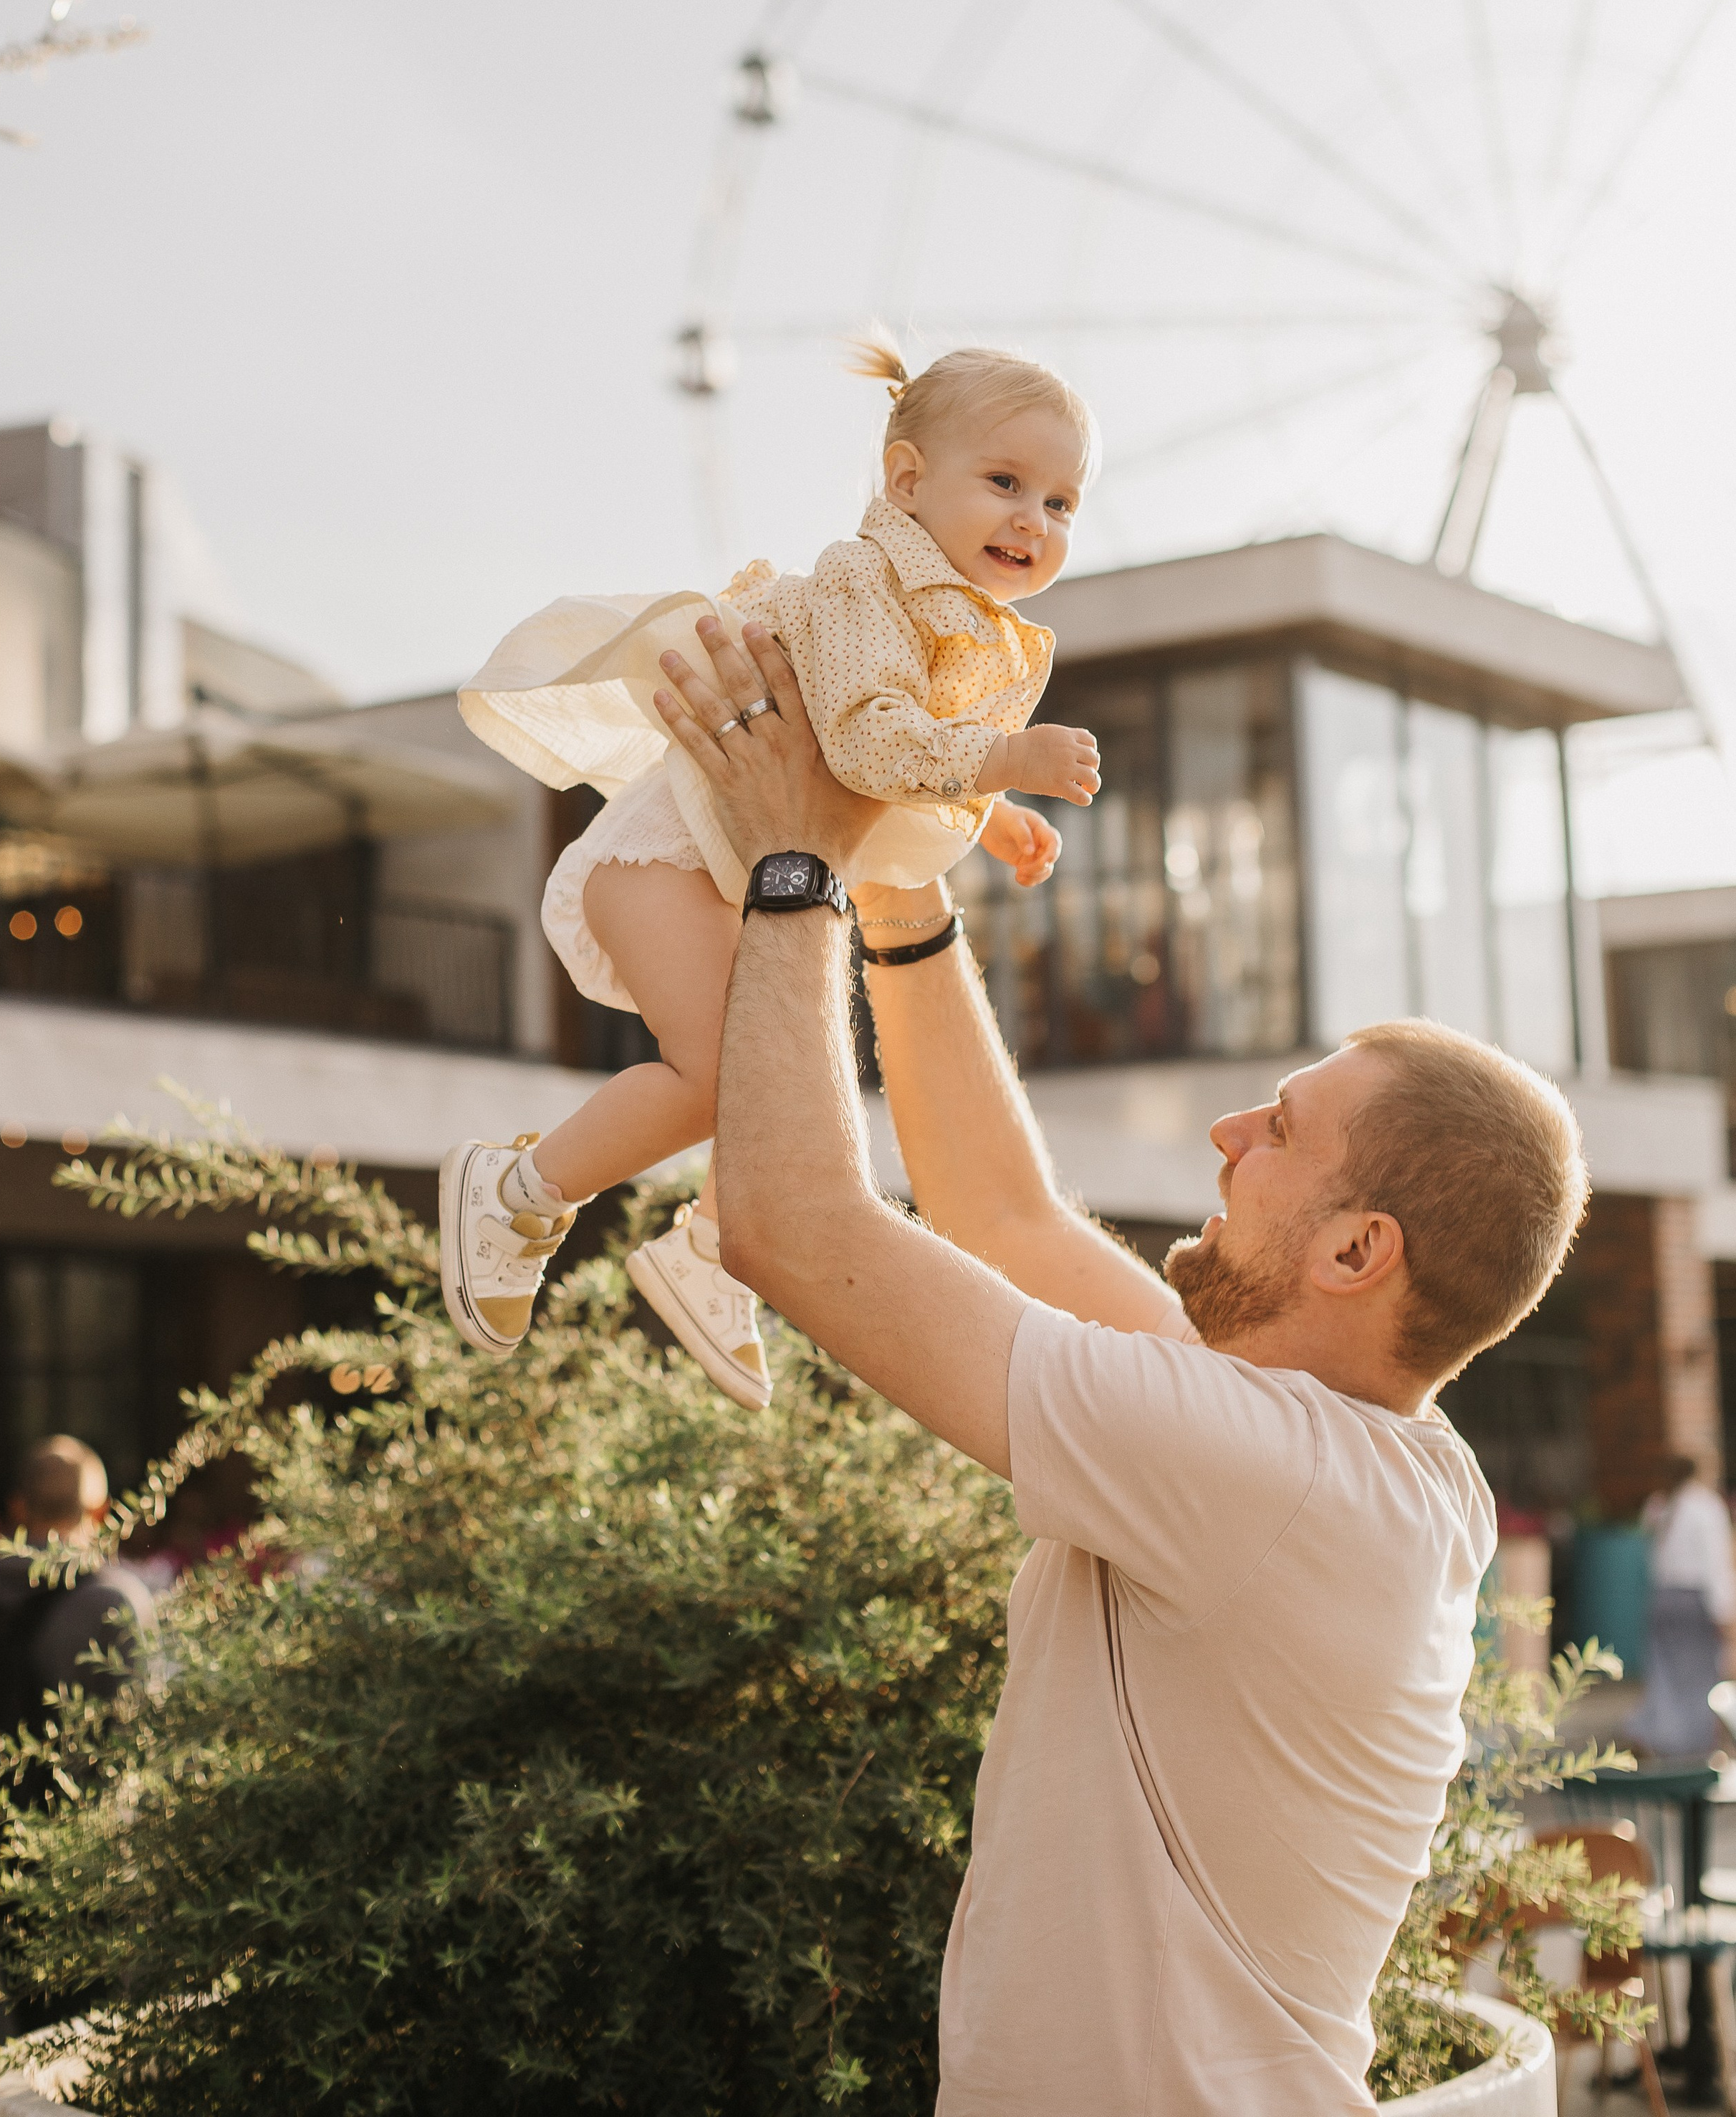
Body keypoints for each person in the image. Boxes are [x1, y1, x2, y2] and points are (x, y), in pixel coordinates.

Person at [648, 611, 1590, 2116]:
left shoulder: (1259, 1476)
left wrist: (794, 864)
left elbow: (788, 1224)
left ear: (1357, 1254)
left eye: (1276, 1129)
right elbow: (1001, 1214)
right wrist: (898, 888)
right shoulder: (1329, 1451)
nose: (1225, 1136)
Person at [441, 335, 1100, 1407]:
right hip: (668, 858)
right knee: (720, 1076)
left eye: (1065, 503)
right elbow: (865, 743)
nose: (1036, 520)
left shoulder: (942, 623)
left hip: (730, 868)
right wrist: (1005, 761)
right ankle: (519, 1192)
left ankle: (712, 1243)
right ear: (905, 480)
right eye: (1007, 483)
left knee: (780, 1067)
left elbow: (879, 777)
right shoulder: (860, 582)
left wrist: (988, 817)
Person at [0, 1435, 155, 1878]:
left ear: (17, 1507)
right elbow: (143, 1730)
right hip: (90, 1854)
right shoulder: (116, 1604)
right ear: (101, 1511)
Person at [1628, 1453, 1736, 1758]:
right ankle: (1691, 1744)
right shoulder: (1706, 1507)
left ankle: (1659, 1735)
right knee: (1699, 1676)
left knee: (1664, 1673)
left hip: (1663, 1596)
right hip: (1694, 1599)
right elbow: (1715, 1565)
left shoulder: (1661, 1506)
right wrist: (1724, 1612)